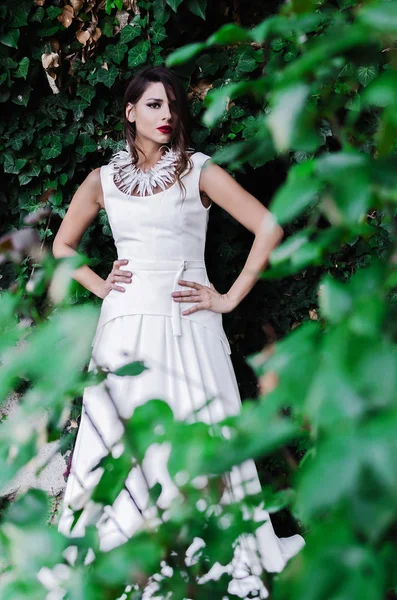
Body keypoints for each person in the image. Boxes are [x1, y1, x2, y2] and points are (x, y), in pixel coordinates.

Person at [44, 65, 305, 598]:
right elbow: (61, 247)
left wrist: (228, 297)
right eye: (154, 105)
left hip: (189, 324)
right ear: (130, 112)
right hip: (123, 330)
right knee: (121, 438)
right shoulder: (101, 180)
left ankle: (204, 550)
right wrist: (103, 287)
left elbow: (269, 226)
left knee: (200, 434)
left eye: (172, 106)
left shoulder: (198, 170)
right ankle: (121, 555)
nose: (166, 115)